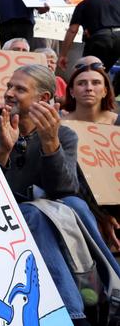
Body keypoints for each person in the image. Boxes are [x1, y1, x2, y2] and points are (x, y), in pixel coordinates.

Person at [0, 64, 118, 325]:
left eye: (20, 89)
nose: (9, 93)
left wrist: (51, 145)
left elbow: (64, 190)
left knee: (73, 203)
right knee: (31, 211)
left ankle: (112, 286)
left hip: (54, 220)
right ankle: (75, 315)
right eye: (9, 86)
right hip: (2, 218)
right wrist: (3, 152)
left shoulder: (64, 135)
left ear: (43, 99)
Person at [62, 57, 120, 252]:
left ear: (105, 91)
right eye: (81, 83)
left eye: (96, 83)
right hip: (83, 201)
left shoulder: (118, 123)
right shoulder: (59, 125)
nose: (89, 88)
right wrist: (99, 215)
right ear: (71, 91)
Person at [59, 0, 120, 83]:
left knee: (86, 69)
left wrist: (63, 55)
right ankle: (108, 94)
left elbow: (73, 30)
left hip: (100, 39)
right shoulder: (118, 2)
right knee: (103, 72)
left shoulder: (84, 4)